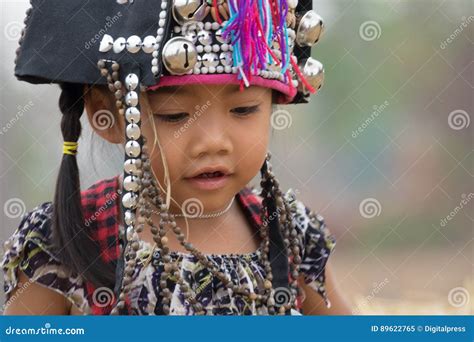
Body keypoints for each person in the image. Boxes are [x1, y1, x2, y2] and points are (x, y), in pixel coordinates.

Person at [2, 0, 350, 315]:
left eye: (243, 110)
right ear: (106, 113)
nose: (213, 142)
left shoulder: (292, 237)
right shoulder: (67, 238)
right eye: (175, 115)